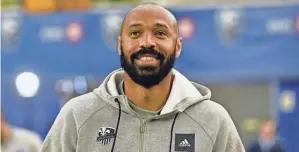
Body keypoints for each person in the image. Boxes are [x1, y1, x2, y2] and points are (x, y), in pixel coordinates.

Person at [41, 2, 245, 152]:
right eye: (135, 33)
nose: (147, 42)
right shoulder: (78, 116)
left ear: (178, 46)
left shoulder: (213, 120)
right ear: (120, 45)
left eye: (160, 33)